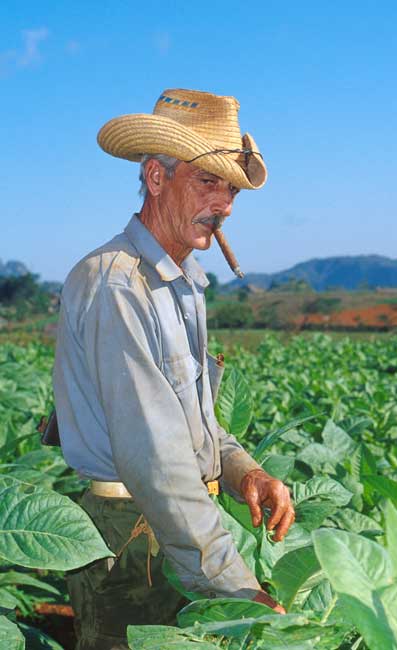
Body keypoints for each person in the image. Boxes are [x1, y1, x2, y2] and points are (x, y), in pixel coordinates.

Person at [53, 88, 295, 650]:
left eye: (230, 188)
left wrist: (244, 474)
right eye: (207, 182)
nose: (225, 204)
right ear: (156, 178)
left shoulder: (180, 282)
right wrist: (235, 586)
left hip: (178, 526)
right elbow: (156, 457)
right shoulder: (117, 283)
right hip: (131, 538)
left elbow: (194, 424)